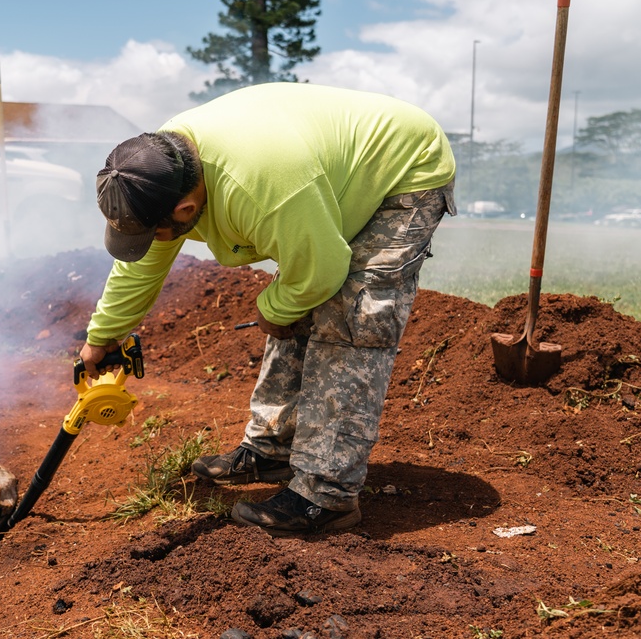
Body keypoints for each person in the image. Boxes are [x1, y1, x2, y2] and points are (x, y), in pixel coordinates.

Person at [79, 82, 456, 536]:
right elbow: (140, 269)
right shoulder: (156, 171)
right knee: (292, 304)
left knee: (349, 315)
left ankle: (327, 494)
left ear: (185, 209)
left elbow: (321, 270)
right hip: (317, 181)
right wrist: (103, 335)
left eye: (154, 232)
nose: (152, 243)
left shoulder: (259, 185)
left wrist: (273, 307)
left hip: (402, 167)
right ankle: (272, 450)